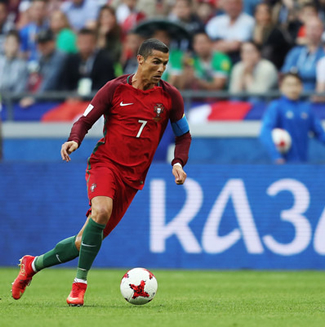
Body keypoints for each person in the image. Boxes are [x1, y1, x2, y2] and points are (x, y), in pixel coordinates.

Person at [11, 38, 192, 306]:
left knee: (84, 240)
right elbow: (85, 119)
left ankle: (32, 265)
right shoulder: (115, 89)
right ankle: (79, 285)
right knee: (101, 211)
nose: (161, 68)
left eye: (165, 63)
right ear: (140, 60)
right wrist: (75, 139)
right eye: (156, 62)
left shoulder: (170, 96)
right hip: (104, 164)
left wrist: (178, 162)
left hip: (133, 180)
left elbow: (184, 135)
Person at [259, 72, 325, 163]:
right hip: (282, 165)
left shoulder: (306, 109)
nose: (293, 88)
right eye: (289, 85)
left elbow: (321, 134)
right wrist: (276, 156)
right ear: (281, 87)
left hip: (302, 164)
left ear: (301, 87)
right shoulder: (276, 107)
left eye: (296, 84)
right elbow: (265, 132)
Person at [58, 28, 115, 94]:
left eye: (88, 42)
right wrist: (70, 95)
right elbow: (64, 82)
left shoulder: (105, 60)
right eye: (82, 42)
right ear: (77, 43)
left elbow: (107, 83)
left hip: (96, 98)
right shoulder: (71, 60)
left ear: (95, 43)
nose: (85, 45)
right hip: (74, 99)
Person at [281, 17, 325, 91]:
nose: (312, 31)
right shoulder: (295, 52)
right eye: (310, 28)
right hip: (295, 94)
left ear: (322, 31)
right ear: (305, 30)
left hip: (317, 97)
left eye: (316, 28)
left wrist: (298, 73)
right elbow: (286, 73)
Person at [0, 30, 29, 94]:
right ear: (4, 45)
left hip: (13, 101)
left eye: (13, 43)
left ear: (18, 45)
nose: (11, 46)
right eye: (9, 43)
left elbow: (20, 89)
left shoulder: (23, 65)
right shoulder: (0, 61)